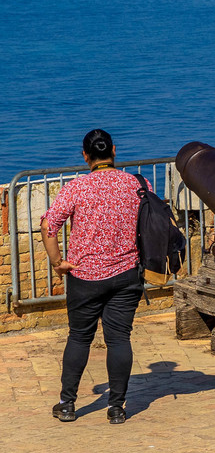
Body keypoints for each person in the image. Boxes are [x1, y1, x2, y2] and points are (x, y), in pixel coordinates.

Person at [41, 129, 145, 424]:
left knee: (79, 338)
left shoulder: (76, 187)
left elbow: (49, 225)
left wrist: (58, 262)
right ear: (114, 149)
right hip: (126, 273)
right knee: (119, 339)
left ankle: (67, 404)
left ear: (85, 155)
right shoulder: (137, 183)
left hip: (85, 276)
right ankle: (116, 407)